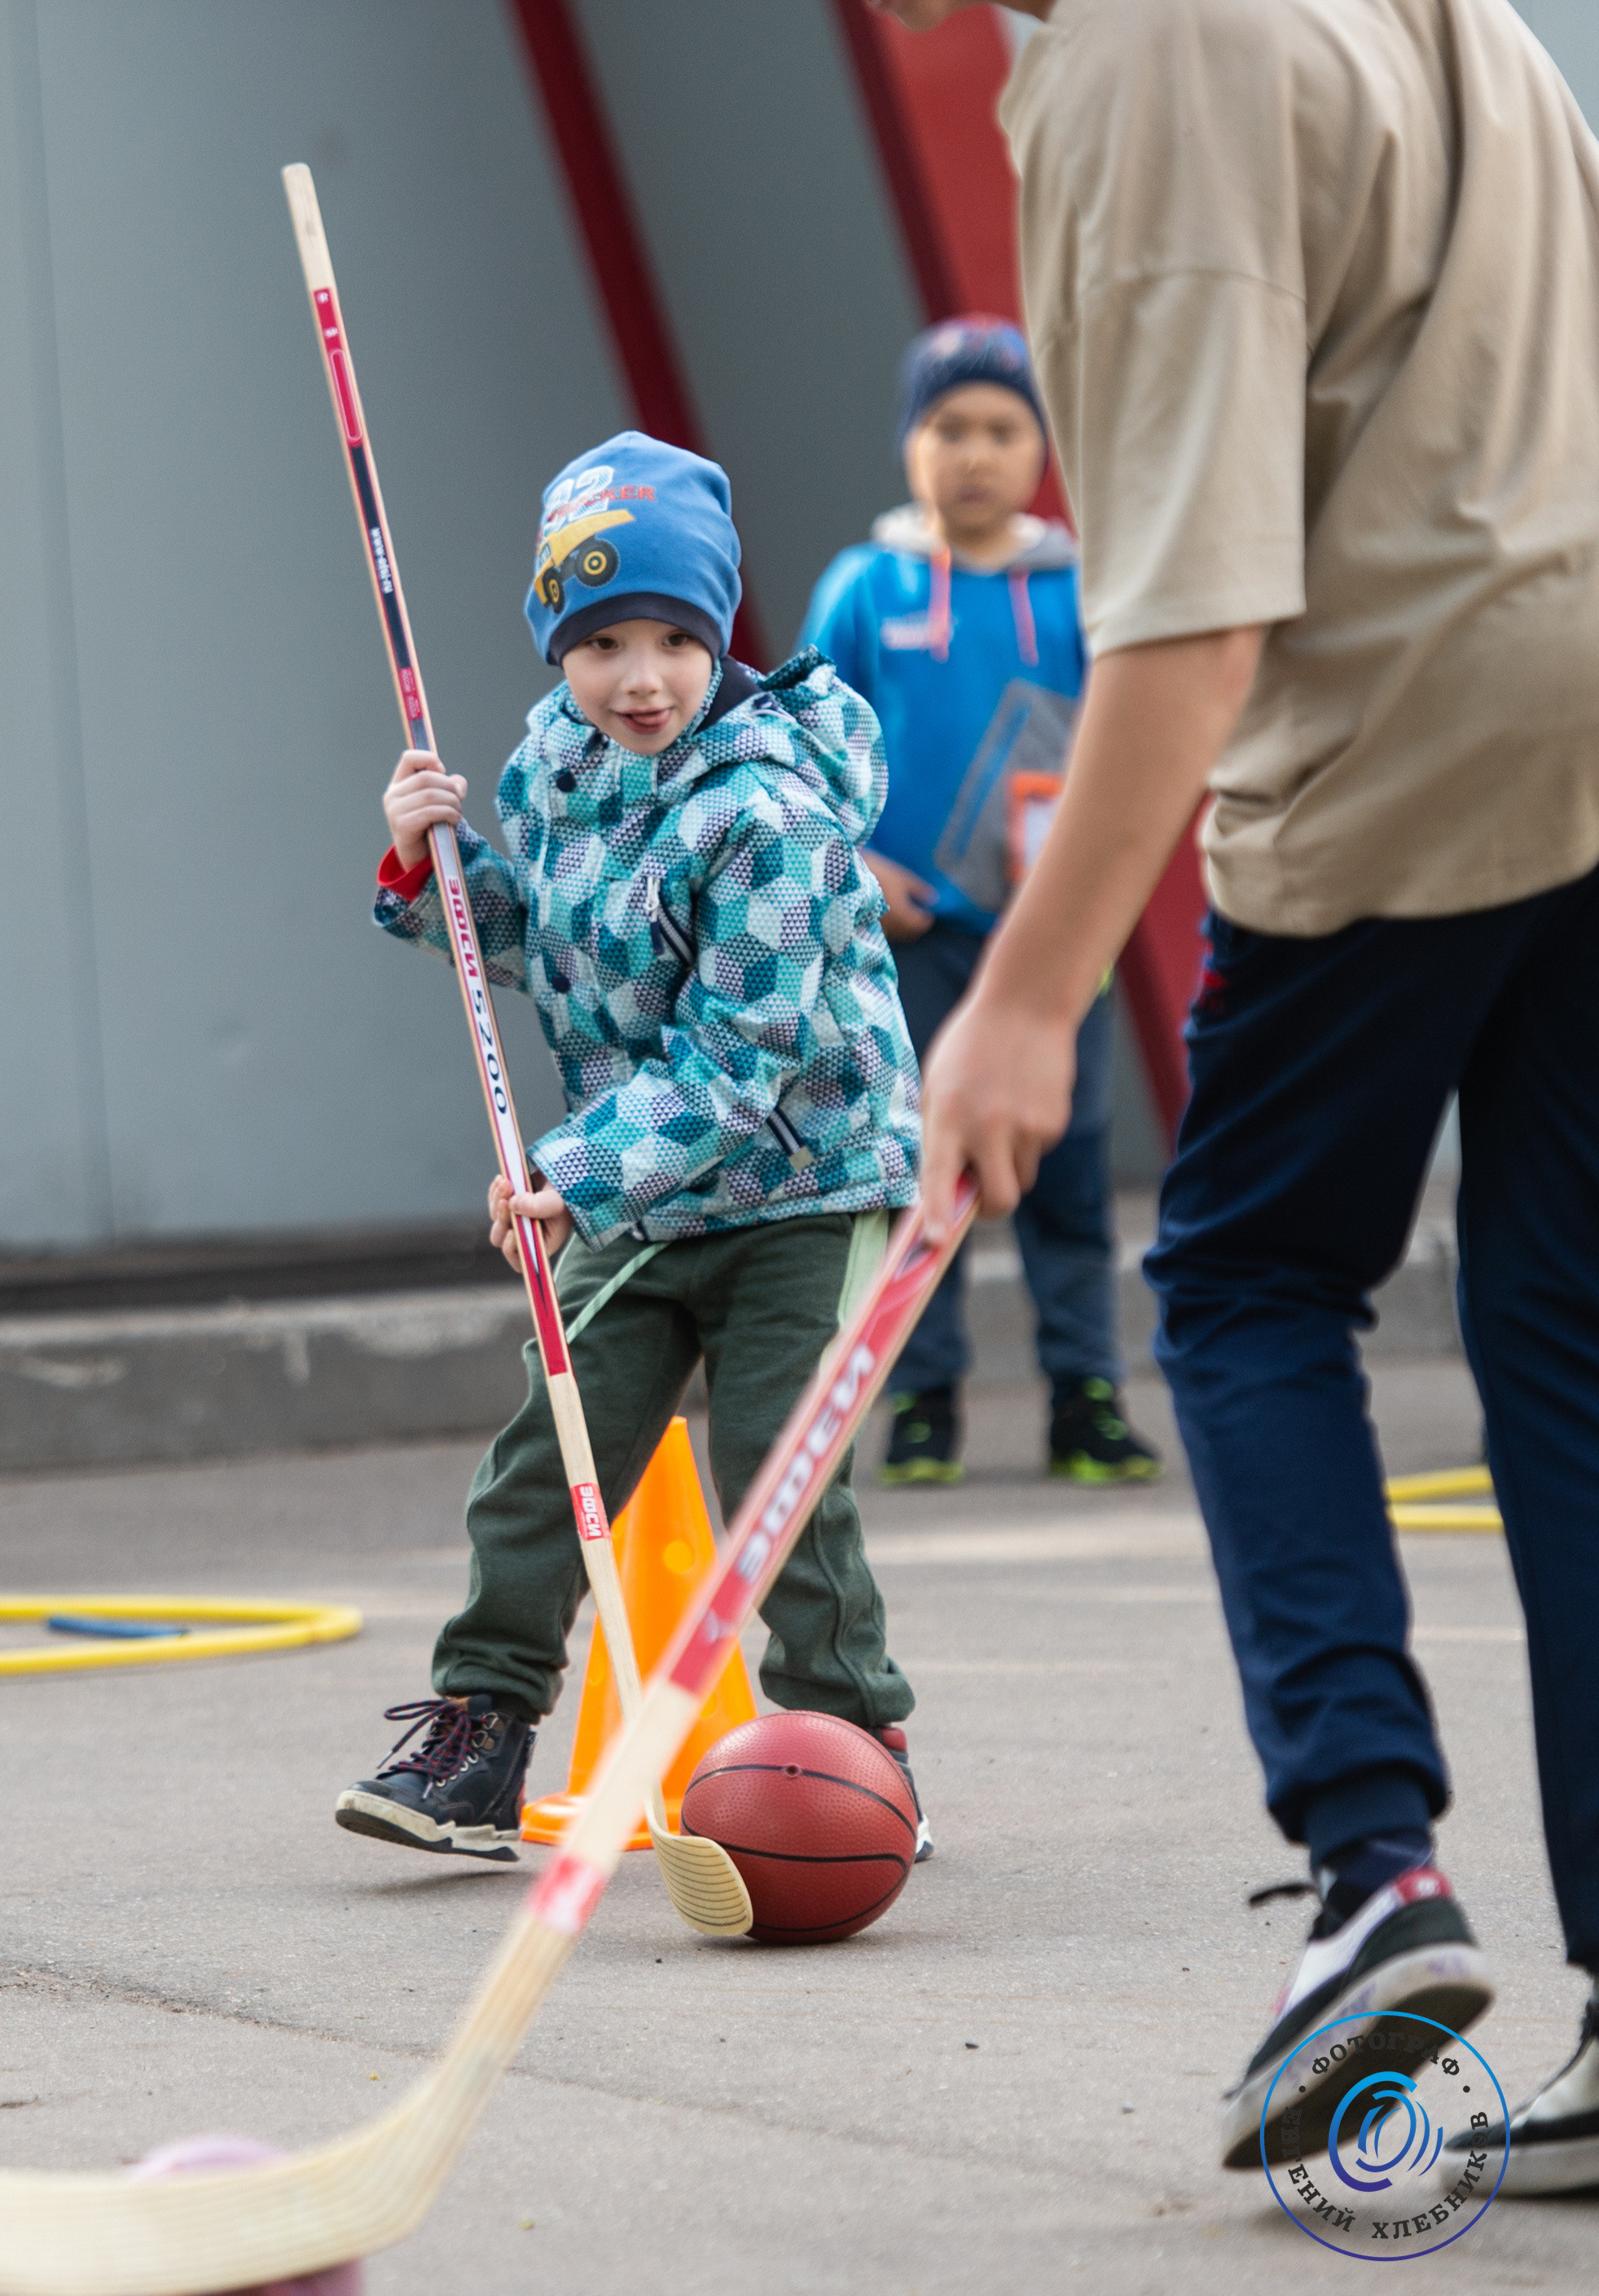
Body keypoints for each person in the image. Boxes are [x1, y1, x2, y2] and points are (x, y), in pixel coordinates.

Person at [888, 0, 1599, 2189]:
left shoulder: (1151, 56)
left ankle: (1374, 1868)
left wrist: (1024, 998)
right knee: (1566, 1333)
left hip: (1411, 729)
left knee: (1245, 1276)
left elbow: (1191, 621)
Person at [336, 432, 932, 1863]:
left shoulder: (770, 808)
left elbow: (742, 1060)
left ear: (721, 630)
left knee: (781, 1473)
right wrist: (430, 865)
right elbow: (551, 948)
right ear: (559, 647)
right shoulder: (556, 771)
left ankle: (855, 1751)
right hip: (650, 1192)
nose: (641, 676)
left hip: (806, 1180)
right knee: (548, 1453)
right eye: (602, 642)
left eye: (675, 635)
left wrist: (573, 1172)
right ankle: (482, 1730)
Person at [802, 317, 1158, 1489]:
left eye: (1003, 429)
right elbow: (798, 755)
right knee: (917, 1170)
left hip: (1054, 945)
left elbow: (1134, 752)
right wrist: (857, 867)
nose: (974, 453)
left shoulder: (1086, 592)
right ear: (910, 441)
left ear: (1042, 448)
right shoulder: (866, 587)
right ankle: (923, 1397)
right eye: (947, 426)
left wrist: (1089, 899)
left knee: (1068, 1173)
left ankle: (1086, 1395)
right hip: (910, 942)